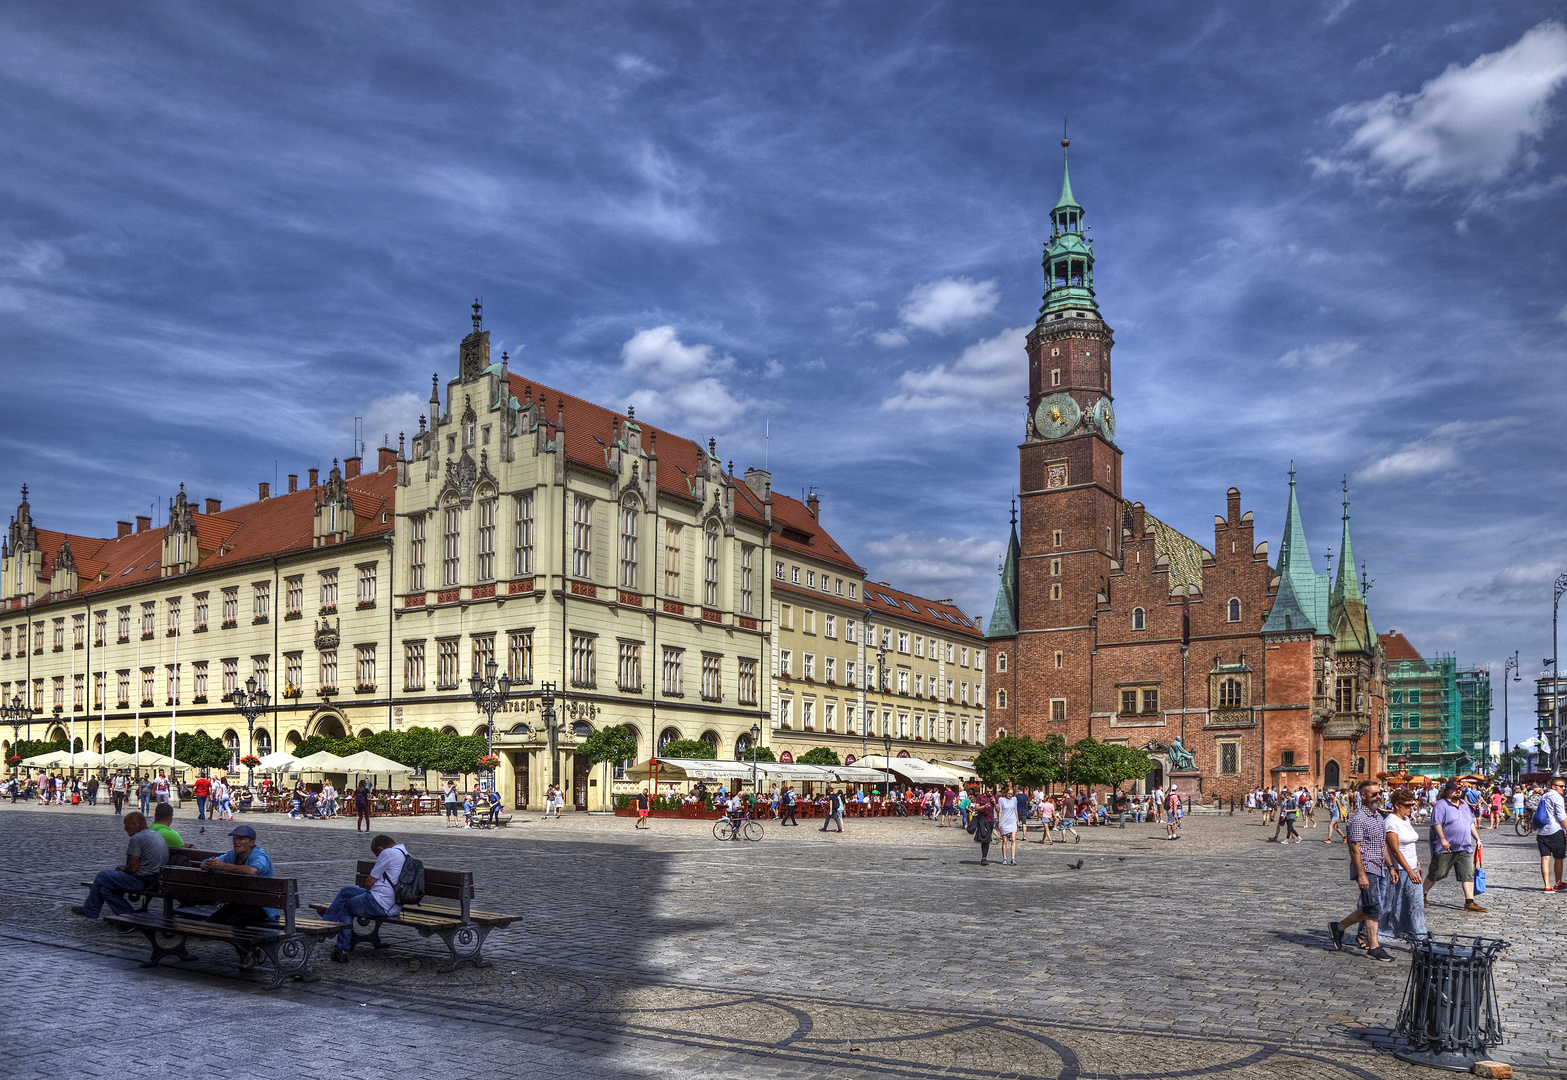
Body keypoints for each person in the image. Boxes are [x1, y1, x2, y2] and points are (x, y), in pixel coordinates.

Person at [1329, 779, 1394, 962]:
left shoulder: (1378, 816)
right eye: (1374, 794)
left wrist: (1390, 866)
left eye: (1379, 793)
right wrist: (1362, 874)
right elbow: (1354, 848)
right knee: (1373, 908)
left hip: (1380, 867)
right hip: (1367, 867)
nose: (1379, 796)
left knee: (1372, 907)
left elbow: (1382, 845)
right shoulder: (1358, 819)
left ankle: (1339, 927)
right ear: (1363, 796)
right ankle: (1374, 946)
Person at [324, 833, 409, 963]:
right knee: (346, 891)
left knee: (346, 906)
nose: (377, 857)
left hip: (380, 903)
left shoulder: (387, 854)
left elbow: (369, 883)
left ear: (380, 849)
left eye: (376, 855)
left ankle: (340, 949)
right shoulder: (406, 854)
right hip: (395, 904)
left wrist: (372, 890)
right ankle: (326, 925)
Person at [72, 811, 169, 923]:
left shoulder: (137, 838)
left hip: (143, 880)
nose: (125, 829)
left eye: (126, 825)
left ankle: (90, 910)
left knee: (102, 875)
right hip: (157, 880)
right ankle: (129, 916)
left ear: (135, 825)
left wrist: (124, 869)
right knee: (105, 889)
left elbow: (132, 868)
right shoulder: (156, 834)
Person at [1424, 780, 1486, 913]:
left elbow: (1470, 824)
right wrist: (1443, 839)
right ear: (1447, 790)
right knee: (1437, 873)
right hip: (1445, 848)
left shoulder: (1464, 805)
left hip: (1464, 847)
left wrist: (1478, 839)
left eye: (1460, 789)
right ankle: (1423, 894)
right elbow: (1437, 824)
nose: (1458, 791)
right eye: (1454, 789)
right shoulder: (1441, 805)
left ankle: (1469, 902)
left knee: (1467, 874)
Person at [199, 824, 278, 925]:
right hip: (241, 902)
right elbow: (205, 862)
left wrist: (225, 866)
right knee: (213, 920)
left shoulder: (260, 855)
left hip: (262, 906)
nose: (236, 842)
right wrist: (207, 864)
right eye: (235, 838)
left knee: (235, 921)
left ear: (251, 842)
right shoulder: (233, 854)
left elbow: (253, 871)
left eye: (242, 839)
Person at [1381, 788, 1427, 943]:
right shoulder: (1391, 822)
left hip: (1412, 866)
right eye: (1407, 805)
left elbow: (1410, 844)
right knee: (1393, 903)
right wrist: (1409, 871)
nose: (1411, 807)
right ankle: (1384, 931)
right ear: (1396, 805)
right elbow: (1395, 850)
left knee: (1416, 903)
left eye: (1412, 804)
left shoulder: (1406, 819)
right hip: (1400, 869)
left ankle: (1419, 935)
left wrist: (1417, 864)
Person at [1535, 775, 1566, 893]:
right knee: (1558, 858)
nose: (1563, 788)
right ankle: (1558, 883)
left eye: (1564, 786)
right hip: (1555, 831)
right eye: (1561, 786)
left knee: (1545, 858)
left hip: (1542, 831)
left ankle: (1547, 885)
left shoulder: (1543, 796)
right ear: (1554, 786)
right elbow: (1561, 816)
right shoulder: (1557, 797)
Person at [972, 785, 998, 865]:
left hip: (991, 820)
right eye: (988, 791)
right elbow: (976, 807)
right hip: (983, 820)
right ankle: (984, 857)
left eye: (991, 791)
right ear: (985, 790)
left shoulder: (994, 797)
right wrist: (984, 806)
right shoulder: (980, 797)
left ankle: (984, 857)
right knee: (984, 838)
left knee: (987, 839)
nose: (989, 793)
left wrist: (995, 803)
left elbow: (998, 810)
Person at [995, 782, 1020, 865]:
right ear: (1005, 793)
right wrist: (999, 822)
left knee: (1013, 839)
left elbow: (1015, 810)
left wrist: (1017, 820)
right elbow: (1000, 811)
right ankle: (1004, 858)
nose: (1010, 795)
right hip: (1004, 821)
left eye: (1011, 794)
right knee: (1005, 841)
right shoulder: (1001, 800)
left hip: (1012, 820)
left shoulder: (1014, 799)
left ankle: (1013, 858)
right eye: (1009, 794)